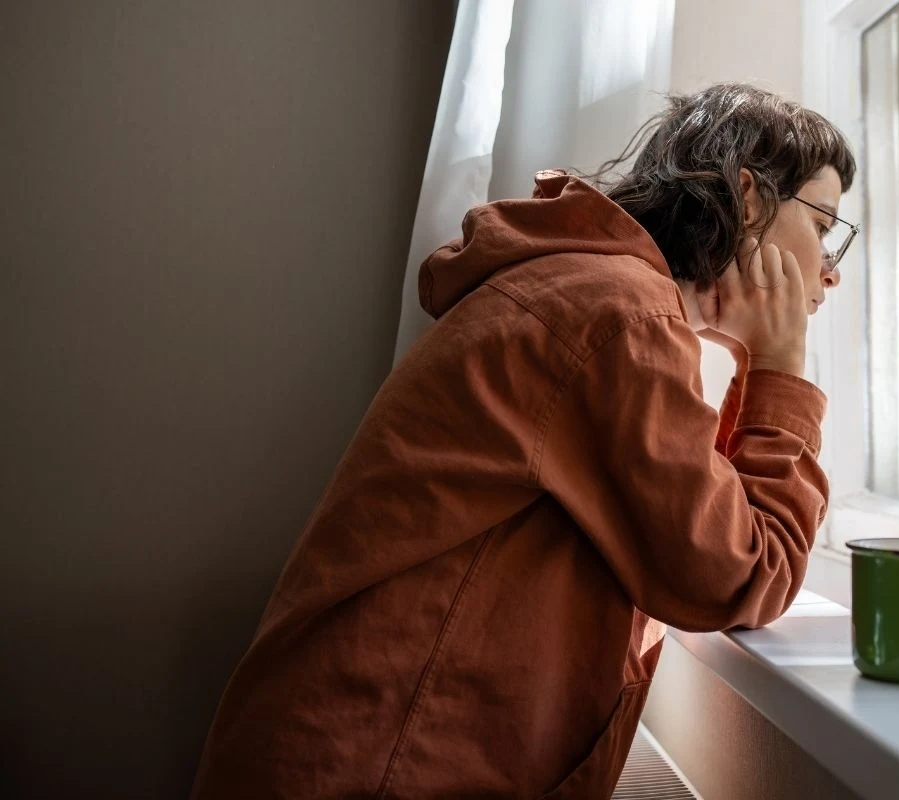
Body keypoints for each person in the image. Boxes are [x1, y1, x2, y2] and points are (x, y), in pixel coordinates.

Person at [191, 83, 856, 799]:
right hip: (375, 769)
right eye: (824, 227)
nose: (830, 270)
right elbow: (741, 571)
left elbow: (699, 522)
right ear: (750, 201)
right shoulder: (617, 319)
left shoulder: (587, 293)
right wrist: (783, 367)